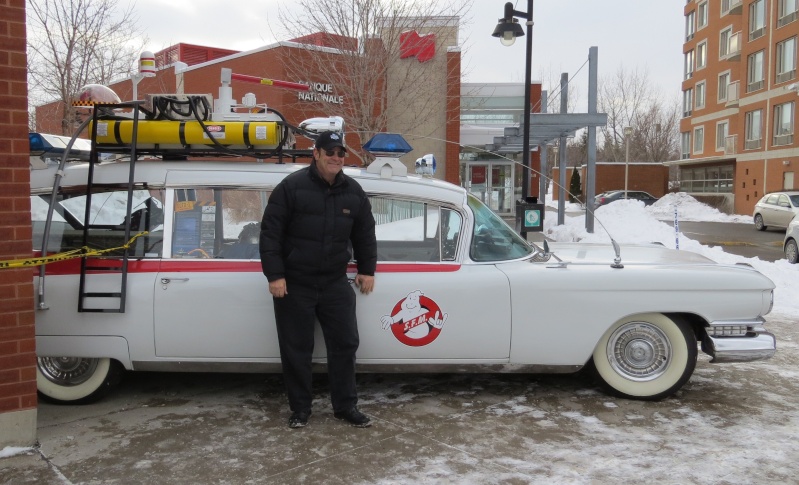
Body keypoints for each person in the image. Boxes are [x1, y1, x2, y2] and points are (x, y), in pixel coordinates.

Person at [259, 131, 377, 429]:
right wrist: (275, 275)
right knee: (296, 349)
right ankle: (300, 409)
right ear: (316, 153)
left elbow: (365, 234)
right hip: (295, 284)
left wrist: (367, 269)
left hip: (334, 283)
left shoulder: (353, 191)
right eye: (330, 152)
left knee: (345, 345)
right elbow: (270, 234)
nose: (336, 158)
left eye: (341, 153)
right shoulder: (291, 187)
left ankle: (345, 407)